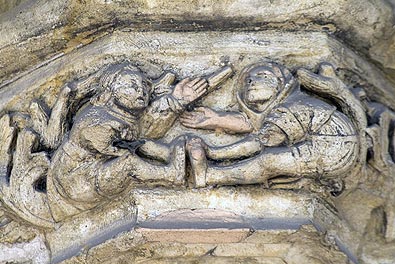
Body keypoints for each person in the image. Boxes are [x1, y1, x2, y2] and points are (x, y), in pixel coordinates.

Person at [47, 63, 208, 221]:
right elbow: (98, 137)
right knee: (129, 162)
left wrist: (176, 101)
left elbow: (149, 125)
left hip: (94, 174)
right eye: (131, 85)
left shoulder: (126, 116)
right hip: (77, 180)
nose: (141, 91)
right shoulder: (96, 116)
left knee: (141, 145)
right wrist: (123, 146)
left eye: (144, 86)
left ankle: (170, 156)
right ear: (111, 92)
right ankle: (171, 175)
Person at [180, 62, 359, 189]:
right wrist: (217, 119)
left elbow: (259, 141)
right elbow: (255, 125)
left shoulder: (293, 106)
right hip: (335, 149)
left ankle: (210, 175)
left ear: (280, 86)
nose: (251, 82)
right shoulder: (281, 110)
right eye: (248, 79)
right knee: (272, 160)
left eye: (262, 76)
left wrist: (214, 152)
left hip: (332, 148)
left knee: (268, 161)